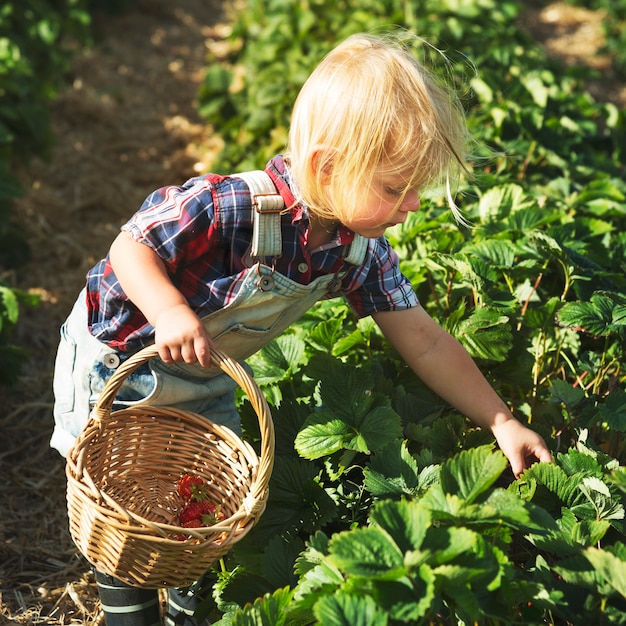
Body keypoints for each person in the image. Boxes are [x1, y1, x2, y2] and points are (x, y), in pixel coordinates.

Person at [51, 31, 552, 626]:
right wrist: (169, 311)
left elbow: (425, 339)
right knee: (126, 508)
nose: (412, 203)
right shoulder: (231, 206)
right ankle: (126, 612)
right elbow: (130, 246)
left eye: (416, 188)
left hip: (206, 372)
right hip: (122, 360)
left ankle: (193, 609)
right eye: (395, 188)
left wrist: (501, 420)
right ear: (328, 167)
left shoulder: (359, 252)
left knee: (207, 507)